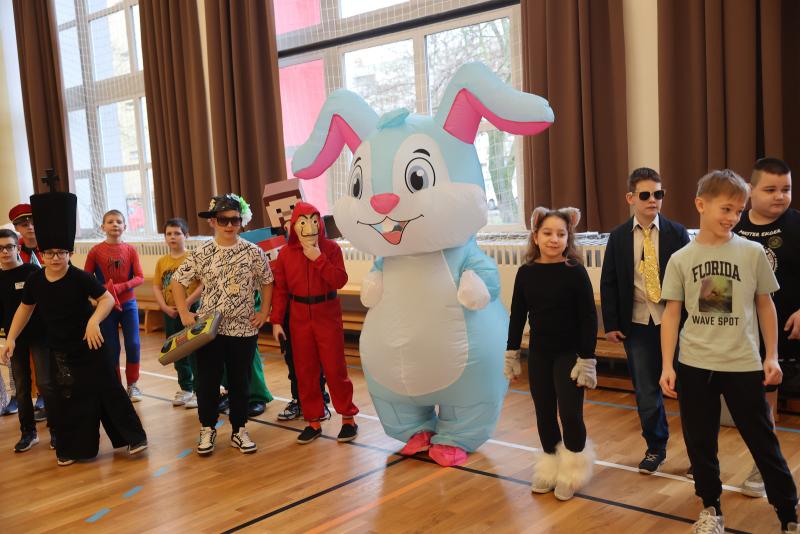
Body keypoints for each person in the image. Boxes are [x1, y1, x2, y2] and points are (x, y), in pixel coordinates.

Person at [659, 169, 799, 534]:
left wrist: (771, 355)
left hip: (742, 364)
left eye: (738, 211)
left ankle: (788, 514)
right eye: (726, 209)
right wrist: (667, 365)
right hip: (694, 365)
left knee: (762, 440)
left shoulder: (752, 252)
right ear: (700, 205)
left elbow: (766, 305)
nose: (733, 217)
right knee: (700, 443)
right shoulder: (680, 258)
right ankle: (711, 509)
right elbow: (672, 314)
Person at [2, 189, 147, 466]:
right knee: (71, 400)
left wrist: (93, 321)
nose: (55, 258)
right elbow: (25, 309)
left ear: (69, 253)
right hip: (61, 351)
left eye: (61, 253)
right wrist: (11, 339)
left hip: (92, 345)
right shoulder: (35, 281)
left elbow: (106, 300)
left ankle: (134, 438)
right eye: (49, 253)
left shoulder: (80, 278)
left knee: (108, 390)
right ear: (42, 254)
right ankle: (75, 449)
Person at [600, 167, 690, 474]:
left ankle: (698, 453)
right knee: (646, 391)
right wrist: (612, 323)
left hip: (674, 323)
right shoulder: (618, 237)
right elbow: (609, 281)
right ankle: (655, 447)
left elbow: (689, 280)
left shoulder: (677, 233)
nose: (653, 200)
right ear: (631, 198)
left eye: (658, 194)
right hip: (637, 324)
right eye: (645, 195)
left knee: (688, 389)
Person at [505, 207, 597, 501]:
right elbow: (517, 315)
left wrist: (587, 359)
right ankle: (550, 466)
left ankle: (572, 472)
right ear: (535, 236)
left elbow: (588, 318)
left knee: (570, 414)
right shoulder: (526, 273)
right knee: (544, 413)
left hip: (570, 354)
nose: (554, 239)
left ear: (568, 238)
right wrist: (512, 353)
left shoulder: (575, 271)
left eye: (560, 234)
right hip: (540, 354)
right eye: (547, 233)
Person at [172, 194, 273, 455]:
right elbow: (178, 281)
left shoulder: (253, 252)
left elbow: (267, 280)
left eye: (234, 220)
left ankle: (239, 430)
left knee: (240, 382)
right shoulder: (202, 252)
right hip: (209, 330)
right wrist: (184, 312)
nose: (229, 225)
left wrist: (264, 312)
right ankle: (207, 428)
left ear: (241, 222)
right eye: (223, 220)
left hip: (243, 329)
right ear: (213, 222)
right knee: (207, 381)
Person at [733, 157, 799, 498]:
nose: (780, 196)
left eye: (786, 189)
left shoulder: (797, 224)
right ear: (750, 190)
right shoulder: (734, 225)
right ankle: (763, 465)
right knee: (762, 404)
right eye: (770, 189)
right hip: (748, 336)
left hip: (792, 331)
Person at [269, 202, 358, 444]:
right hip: (299, 317)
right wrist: (276, 321)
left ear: (319, 223)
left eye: (314, 220)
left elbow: (339, 280)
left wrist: (319, 258)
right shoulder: (285, 255)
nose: (310, 226)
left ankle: (348, 419)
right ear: (294, 226)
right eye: (303, 221)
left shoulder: (331, 249)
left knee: (335, 369)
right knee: (305, 371)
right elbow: (280, 290)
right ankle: (313, 421)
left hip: (327, 314)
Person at [262, 179, 330, 421]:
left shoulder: (318, 239)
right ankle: (298, 399)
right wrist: (276, 319)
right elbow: (279, 287)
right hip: (291, 312)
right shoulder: (276, 243)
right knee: (293, 359)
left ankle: (319, 398)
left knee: (317, 359)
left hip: (316, 310)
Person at [0, 229, 52, 451]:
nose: (5, 252)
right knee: (21, 387)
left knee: (46, 383)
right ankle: (28, 433)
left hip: (40, 336)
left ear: (17, 248)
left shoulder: (32, 272)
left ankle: (57, 430)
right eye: (0, 248)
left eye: (9, 247)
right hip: (15, 340)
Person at [84, 210, 145, 401]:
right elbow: (87, 279)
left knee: (133, 344)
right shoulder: (95, 251)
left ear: (124, 226)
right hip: (106, 306)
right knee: (111, 347)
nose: (115, 224)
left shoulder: (130, 250)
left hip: (128, 305)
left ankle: (133, 384)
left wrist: (119, 287)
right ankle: (115, 386)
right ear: (103, 227)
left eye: (119, 221)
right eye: (110, 221)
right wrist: (103, 290)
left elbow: (139, 277)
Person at [153, 218, 202, 408]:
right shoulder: (162, 262)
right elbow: (157, 287)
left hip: (192, 311)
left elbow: (203, 284)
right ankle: (185, 388)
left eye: (177, 233)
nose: (173, 237)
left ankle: (199, 390)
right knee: (177, 349)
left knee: (194, 351)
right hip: (170, 313)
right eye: (169, 234)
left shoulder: (194, 258)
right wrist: (165, 307)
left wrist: (186, 304)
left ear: (186, 236)